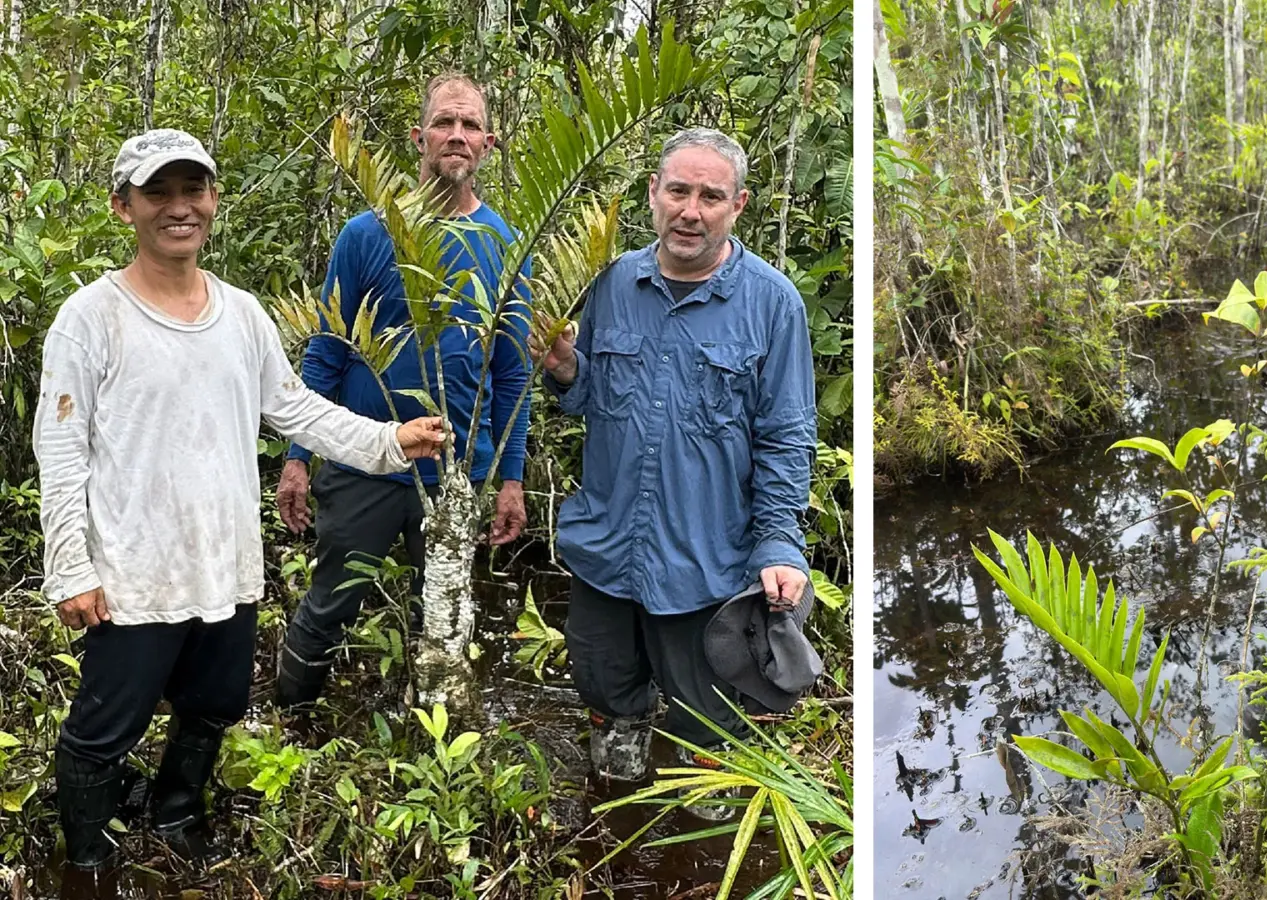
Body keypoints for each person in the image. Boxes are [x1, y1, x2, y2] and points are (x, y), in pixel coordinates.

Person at [33, 128, 447, 878]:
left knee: (213, 704)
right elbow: (60, 452)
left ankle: (177, 812)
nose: (178, 208)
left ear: (214, 200)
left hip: (224, 565)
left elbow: (298, 410)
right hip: (133, 573)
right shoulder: (91, 318)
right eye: (158, 192)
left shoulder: (242, 315)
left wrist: (391, 441)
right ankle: (87, 863)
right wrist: (71, 570)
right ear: (123, 206)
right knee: (103, 729)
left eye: (192, 190)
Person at [538, 128, 816, 819]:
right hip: (609, 537)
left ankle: (701, 771)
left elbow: (786, 436)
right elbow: (591, 397)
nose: (691, 210)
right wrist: (568, 372)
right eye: (679, 191)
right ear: (654, 196)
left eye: (710, 196)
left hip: (704, 551)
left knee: (706, 692)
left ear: (738, 205)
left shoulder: (773, 304)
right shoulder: (609, 285)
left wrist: (778, 544)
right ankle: (623, 732)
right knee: (602, 667)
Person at [274, 73, 533, 711]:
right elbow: (329, 349)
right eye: (445, 123)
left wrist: (508, 476)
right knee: (330, 602)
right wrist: (299, 457)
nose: (457, 136)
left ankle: (436, 740)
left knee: (444, 615)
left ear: (489, 144)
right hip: (365, 460)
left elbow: (510, 373)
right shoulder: (368, 234)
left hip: (453, 472)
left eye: (470, 125)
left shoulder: (505, 244)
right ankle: (290, 719)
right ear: (419, 137)